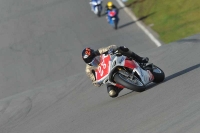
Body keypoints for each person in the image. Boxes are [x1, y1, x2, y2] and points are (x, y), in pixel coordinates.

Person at [81, 45, 149, 98]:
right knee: (112, 93)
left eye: (95, 58)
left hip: (113, 63)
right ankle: (124, 84)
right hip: (107, 77)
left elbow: (111, 47)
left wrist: (113, 49)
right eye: (93, 61)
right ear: (88, 63)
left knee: (122, 48)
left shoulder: (99, 51)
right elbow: (94, 80)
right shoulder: (88, 70)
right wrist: (97, 83)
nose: (96, 61)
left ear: (94, 54)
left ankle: (139, 59)